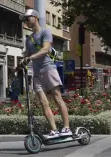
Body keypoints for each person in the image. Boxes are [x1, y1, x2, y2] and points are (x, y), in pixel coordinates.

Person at [19, 9, 72, 138]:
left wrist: (31, 58)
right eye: (24, 19)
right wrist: (20, 63)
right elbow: (27, 54)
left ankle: (66, 128)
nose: (25, 21)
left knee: (57, 97)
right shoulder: (29, 39)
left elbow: (45, 49)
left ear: (35, 18)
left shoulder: (45, 32)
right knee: (43, 102)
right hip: (37, 73)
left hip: (48, 69)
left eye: (27, 18)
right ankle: (53, 130)